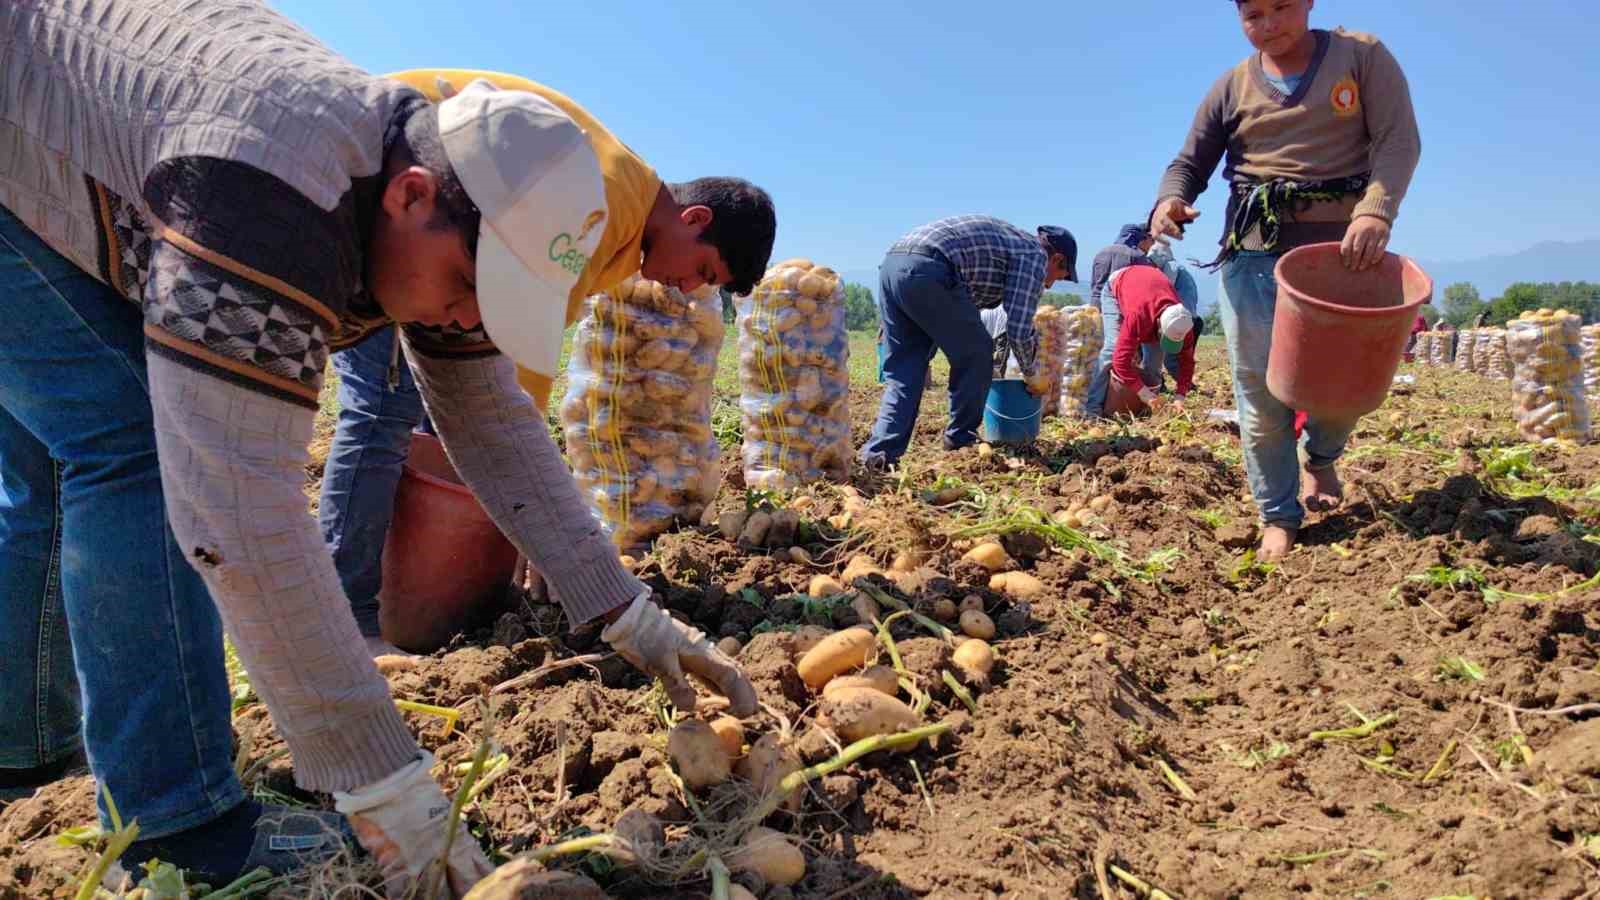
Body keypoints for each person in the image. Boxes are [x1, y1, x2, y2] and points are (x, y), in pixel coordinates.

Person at [0, 3, 774, 895]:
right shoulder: (274, 198)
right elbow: (237, 508)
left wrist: (628, 613)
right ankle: (181, 830)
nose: (471, 314)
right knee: (133, 444)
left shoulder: (447, 221)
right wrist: (386, 783)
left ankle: (24, 742)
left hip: (67, 127)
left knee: (66, 453)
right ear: (410, 196)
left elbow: (495, 425)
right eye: (468, 286)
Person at [319, 68, 773, 657]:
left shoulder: (627, 222)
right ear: (694, 220)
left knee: (424, 417)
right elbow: (508, 361)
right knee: (382, 409)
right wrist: (529, 518)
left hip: (434, 234)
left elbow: (505, 353)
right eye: (705, 271)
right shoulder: (602, 205)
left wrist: (531, 517)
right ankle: (351, 614)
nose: (690, 290)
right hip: (403, 212)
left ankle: (408, 596)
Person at [1147, 0, 1421, 561]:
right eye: (1253, 15)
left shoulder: (1360, 56)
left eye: (1281, 8)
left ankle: (1321, 457)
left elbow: (1398, 140)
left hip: (1342, 258)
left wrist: (1376, 209)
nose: (1268, 25)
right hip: (1254, 255)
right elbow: (1189, 163)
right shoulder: (1231, 86)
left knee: (1344, 385)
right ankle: (1278, 514)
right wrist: (1169, 200)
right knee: (1259, 391)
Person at [860, 217, 1077, 468]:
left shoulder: (1010, 243)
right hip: (931, 266)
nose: (1049, 285)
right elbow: (1018, 327)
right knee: (977, 354)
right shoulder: (1034, 255)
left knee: (906, 371)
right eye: (1059, 277)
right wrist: (1032, 373)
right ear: (1057, 259)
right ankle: (961, 441)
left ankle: (879, 456)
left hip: (894, 265)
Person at [1101, 267, 1199, 414]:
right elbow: (1120, 361)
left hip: (1149, 291)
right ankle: (1093, 407)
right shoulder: (1138, 316)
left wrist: (1180, 396)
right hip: (1117, 286)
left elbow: (1187, 363)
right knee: (1112, 349)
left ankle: (1146, 409)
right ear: (1159, 324)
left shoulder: (1183, 323)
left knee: (1154, 365)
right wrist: (1143, 393)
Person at [1085, 224, 1159, 415]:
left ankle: (1089, 402)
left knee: (1094, 357)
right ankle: (1101, 406)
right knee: (1119, 355)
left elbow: (1095, 286)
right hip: (1121, 313)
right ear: (1139, 239)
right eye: (1147, 240)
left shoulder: (1101, 252)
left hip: (1096, 310)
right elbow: (1141, 291)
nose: (1149, 245)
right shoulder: (1137, 257)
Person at [1148, 243, 1204, 386]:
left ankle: (1186, 388)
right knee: (1183, 359)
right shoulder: (1181, 269)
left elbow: (1164, 291)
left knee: (1171, 361)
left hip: (1179, 320)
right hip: (1190, 319)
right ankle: (1183, 386)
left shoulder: (1171, 267)